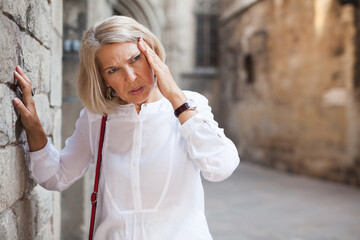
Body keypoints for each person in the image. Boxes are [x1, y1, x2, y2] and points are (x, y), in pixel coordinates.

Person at [12, 16, 239, 240]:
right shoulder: (97, 118)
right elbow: (56, 176)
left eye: (135, 59)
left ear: (152, 54)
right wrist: (33, 127)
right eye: (113, 70)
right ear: (103, 79)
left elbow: (221, 167)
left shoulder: (189, 105)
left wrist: (177, 100)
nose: (131, 78)